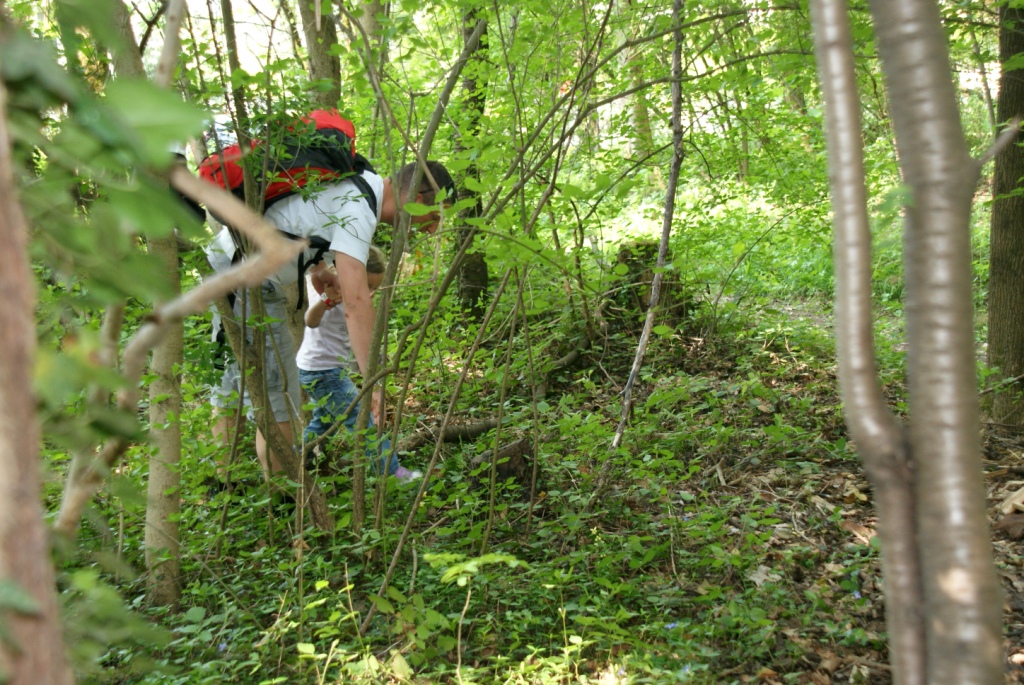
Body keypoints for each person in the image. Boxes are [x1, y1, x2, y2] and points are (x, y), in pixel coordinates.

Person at [263, 160, 456, 416]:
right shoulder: (359, 209)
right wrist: (373, 385)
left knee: (267, 409)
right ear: (416, 199)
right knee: (278, 414)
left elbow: (306, 219)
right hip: (249, 281)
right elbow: (356, 302)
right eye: (434, 217)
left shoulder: (360, 183)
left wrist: (318, 268)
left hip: (254, 279)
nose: (432, 230)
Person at [297, 247, 421, 481]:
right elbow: (310, 320)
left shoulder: (356, 303)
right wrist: (326, 300)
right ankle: (392, 474)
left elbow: (358, 346)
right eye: (367, 285)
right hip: (322, 372)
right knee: (362, 421)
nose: (371, 293)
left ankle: (296, 461)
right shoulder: (331, 291)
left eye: (375, 288)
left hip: (326, 371)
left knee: (322, 422)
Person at [205, 227, 300, 482]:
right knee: (276, 400)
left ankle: (226, 486)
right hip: (252, 273)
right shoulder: (354, 210)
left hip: (223, 258)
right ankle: (281, 495)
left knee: (228, 392)